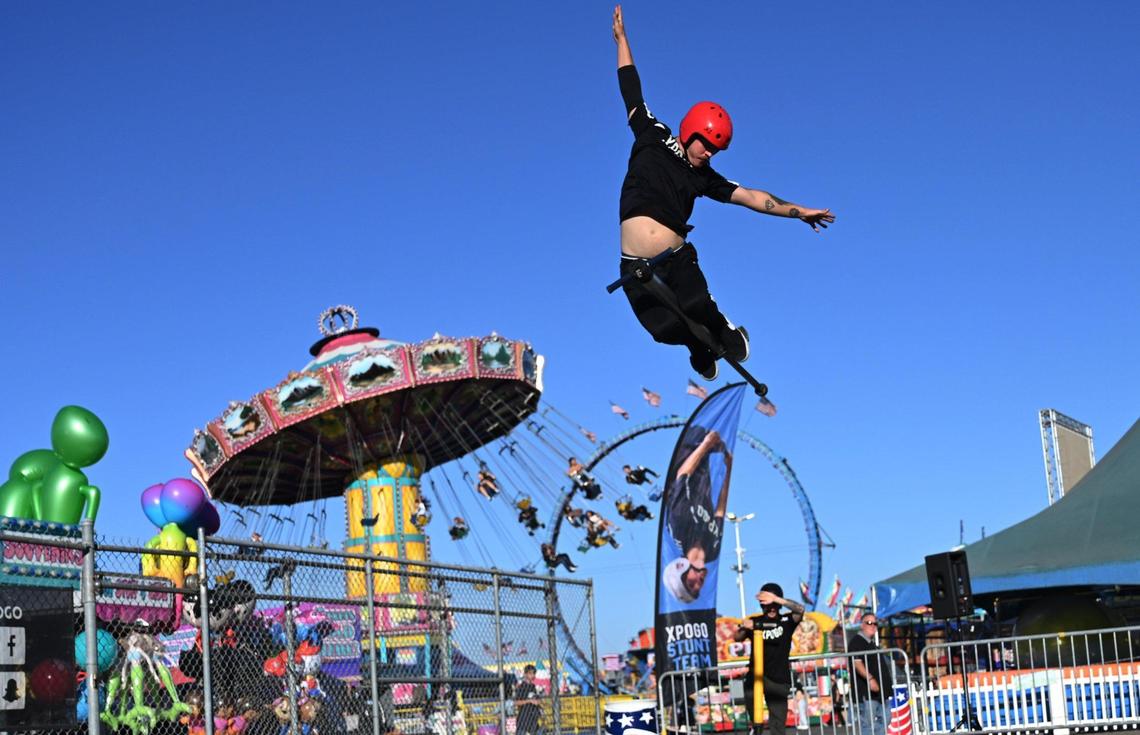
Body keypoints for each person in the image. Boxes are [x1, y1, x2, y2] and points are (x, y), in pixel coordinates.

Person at [611, 5, 835, 380]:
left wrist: (800, 211)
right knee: (662, 330)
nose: (709, 155)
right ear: (691, 132)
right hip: (632, 261)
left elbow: (751, 197)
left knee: (696, 303)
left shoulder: (706, 177)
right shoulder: (652, 134)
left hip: (674, 256)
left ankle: (724, 330)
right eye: (707, 146)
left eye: (716, 151)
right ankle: (696, 346)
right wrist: (622, 40)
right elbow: (631, 88)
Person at [734, 583, 805, 735]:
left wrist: (777, 599)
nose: (771, 609)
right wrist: (743, 626)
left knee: (778, 725)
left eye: (774, 605)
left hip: (779, 679)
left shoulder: (787, 621)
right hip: (757, 675)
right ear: (761, 605)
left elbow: (800, 609)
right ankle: (755, 727)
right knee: (753, 707)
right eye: (768, 606)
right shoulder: (755, 621)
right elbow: (737, 638)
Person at [665, 428, 731, 564]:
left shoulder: (680, 527)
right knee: (716, 435)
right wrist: (728, 468)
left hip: (685, 463)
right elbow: (720, 511)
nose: (700, 575)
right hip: (702, 477)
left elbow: (682, 475)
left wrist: (705, 444)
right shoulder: (713, 551)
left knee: (700, 429)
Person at [848, 612, 892, 735]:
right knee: (868, 725)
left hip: (881, 692)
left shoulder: (871, 643)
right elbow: (857, 663)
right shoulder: (857, 642)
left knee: (886, 719)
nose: (873, 626)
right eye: (869, 623)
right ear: (862, 625)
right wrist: (870, 679)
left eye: (875, 623)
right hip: (866, 693)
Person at [514, 664, 543, 735]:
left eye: (534, 673)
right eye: (530, 673)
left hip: (533, 719)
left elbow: (536, 699)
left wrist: (539, 702)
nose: (533, 675)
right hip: (523, 719)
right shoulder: (521, 687)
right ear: (525, 674)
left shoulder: (533, 687)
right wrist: (529, 701)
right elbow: (516, 702)